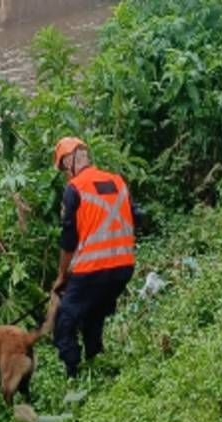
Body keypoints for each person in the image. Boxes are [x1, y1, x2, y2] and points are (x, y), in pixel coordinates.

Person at [48, 137, 136, 378]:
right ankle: (95, 360)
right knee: (93, 314)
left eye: (64, 169)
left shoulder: (74, 188)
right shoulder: (118, 181)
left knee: (63, 322)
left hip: (94, 270)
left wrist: (62, 276)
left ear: (69, 163)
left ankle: (73, 374)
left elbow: (68, 240)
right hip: (123, 268)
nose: (66, 175)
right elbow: (136, 216)